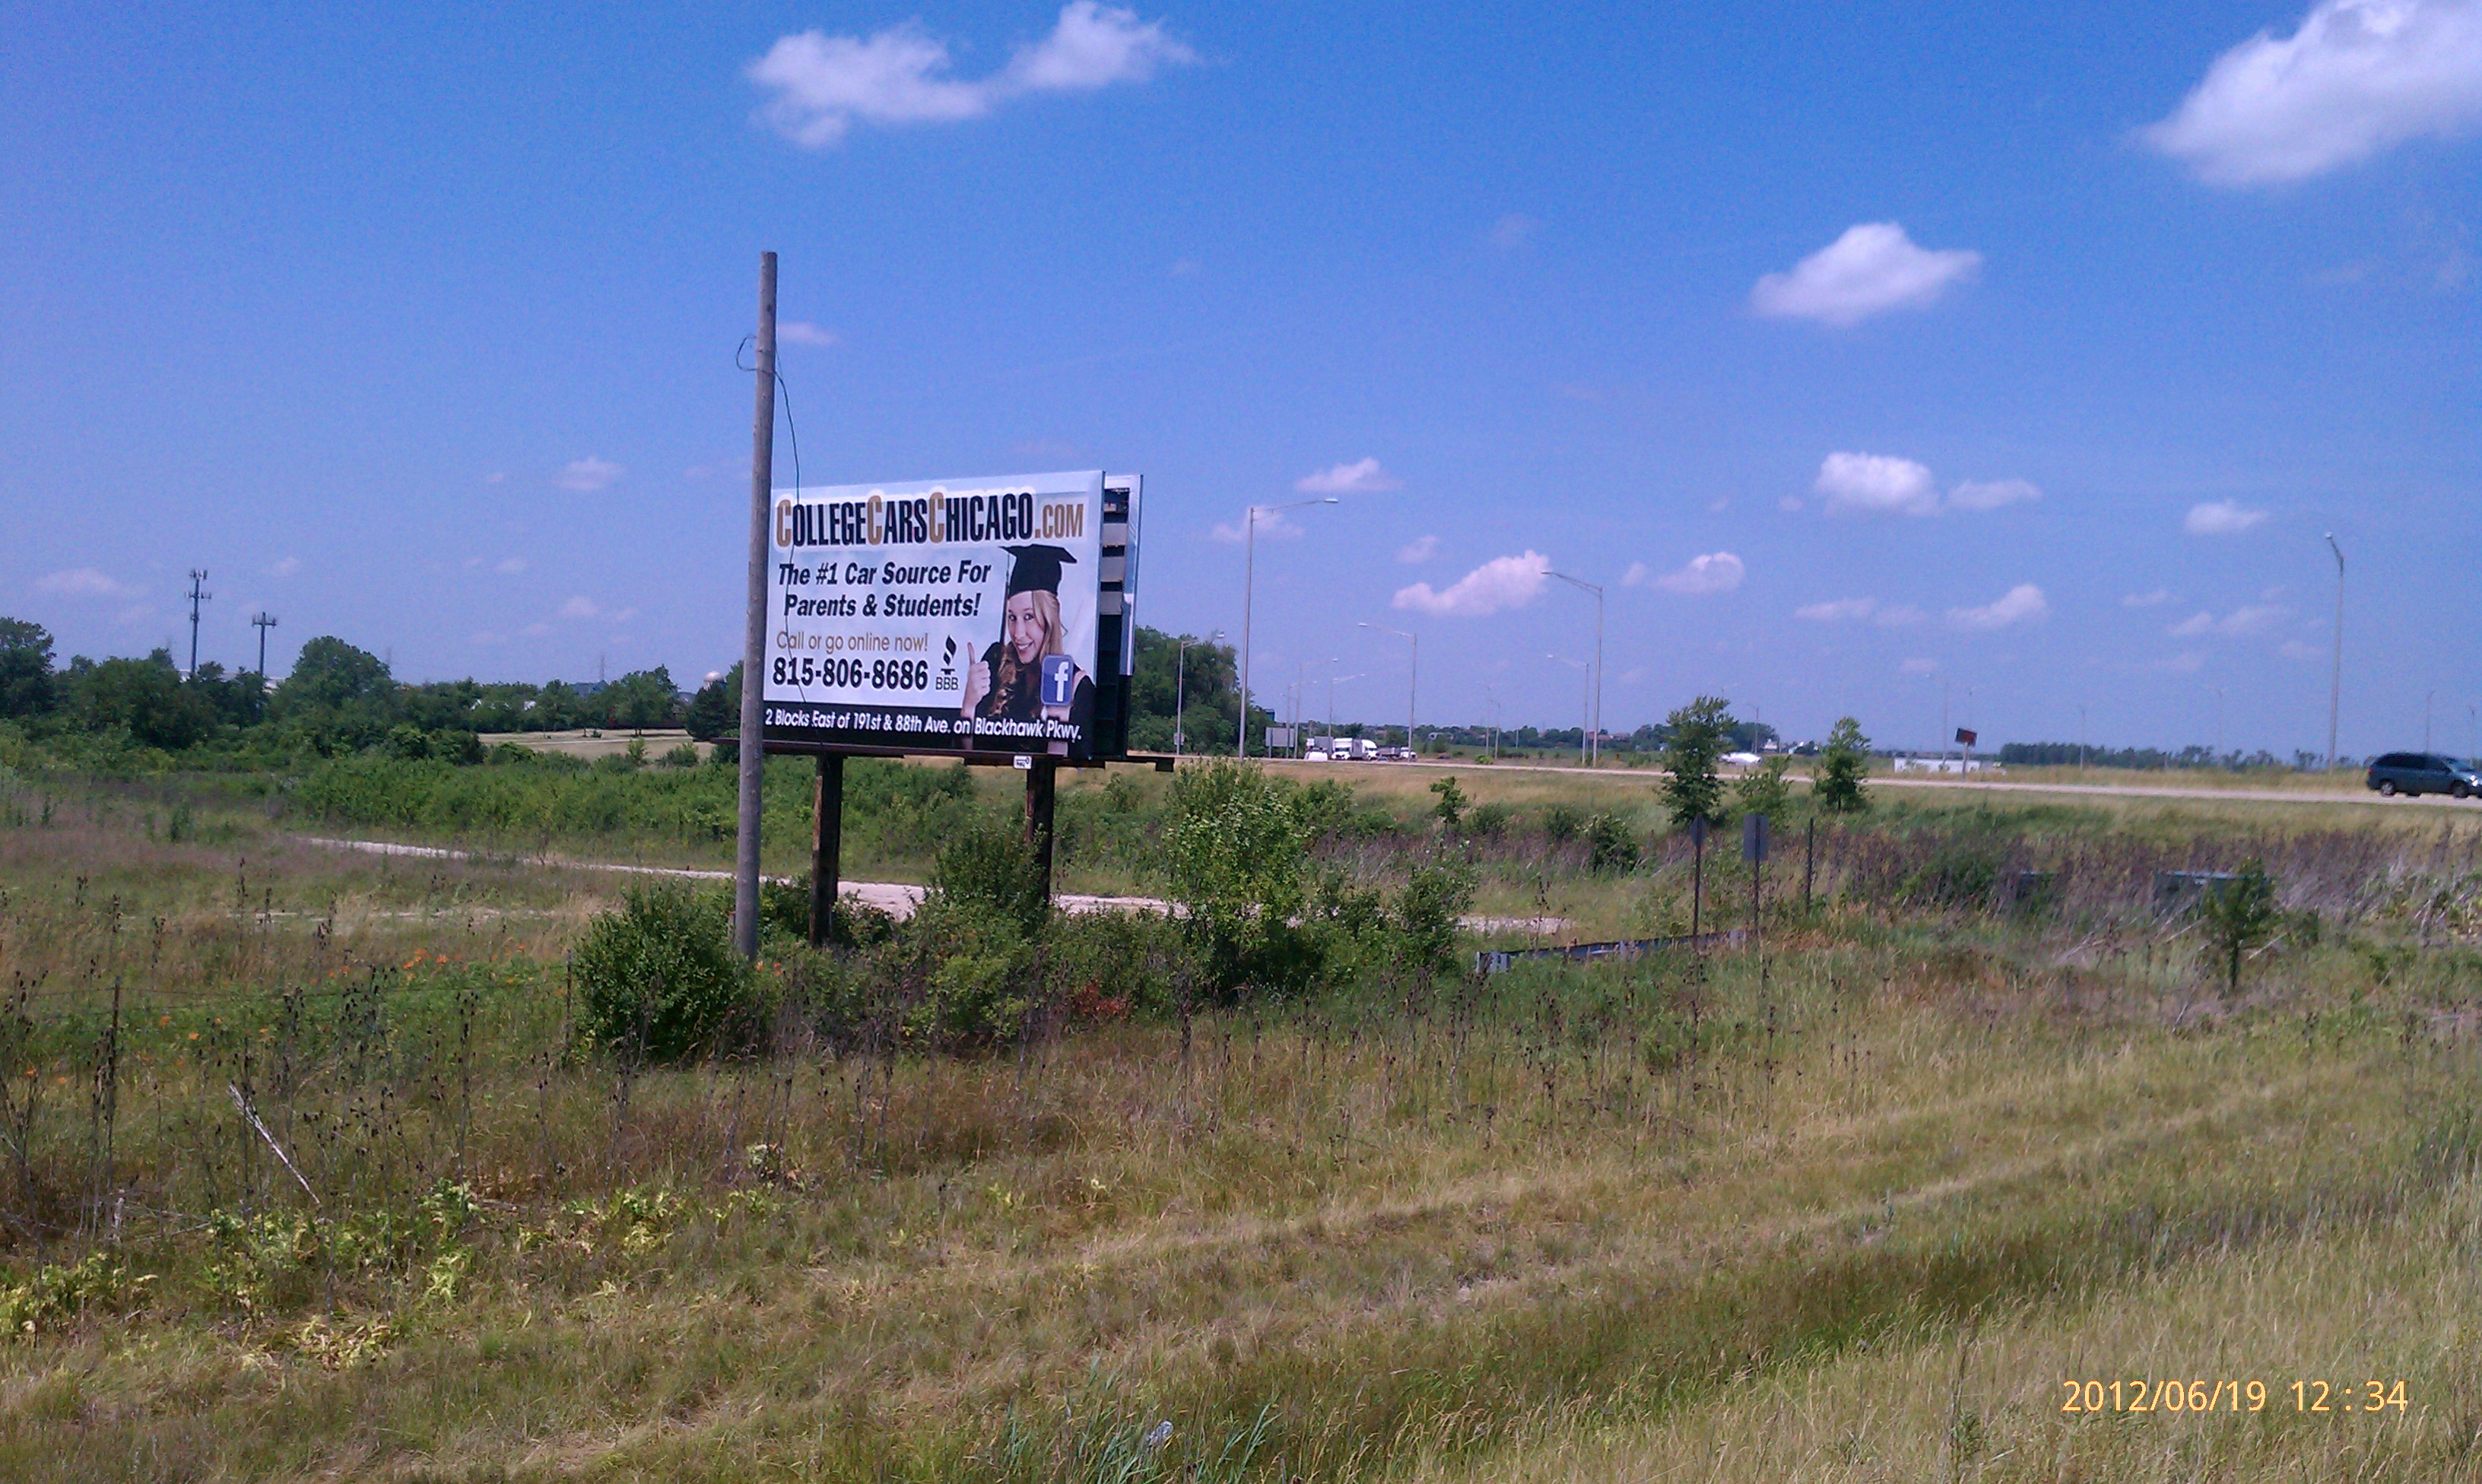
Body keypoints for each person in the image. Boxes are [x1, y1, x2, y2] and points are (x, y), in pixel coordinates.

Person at [963, 544, 1093, 749]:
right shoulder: (994, 664)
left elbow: (1072, 766)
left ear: (1050, 618)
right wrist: (969, 706)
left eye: (1029, 617)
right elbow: (967, 754)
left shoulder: (1076, 687)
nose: (1018, 633)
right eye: (1012, 617)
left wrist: (1060, 725)